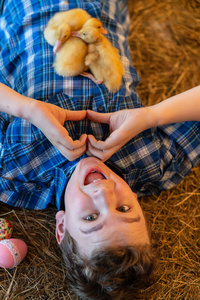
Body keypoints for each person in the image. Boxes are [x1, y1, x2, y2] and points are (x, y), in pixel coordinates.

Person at [0, 0, 200, 299]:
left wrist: (26, 108)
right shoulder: (154, 163)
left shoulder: (14, 174)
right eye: (124, 209)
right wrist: (152, 116)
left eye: (91, 218)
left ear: (62, 227)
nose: (104, 192)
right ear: (139, 204)